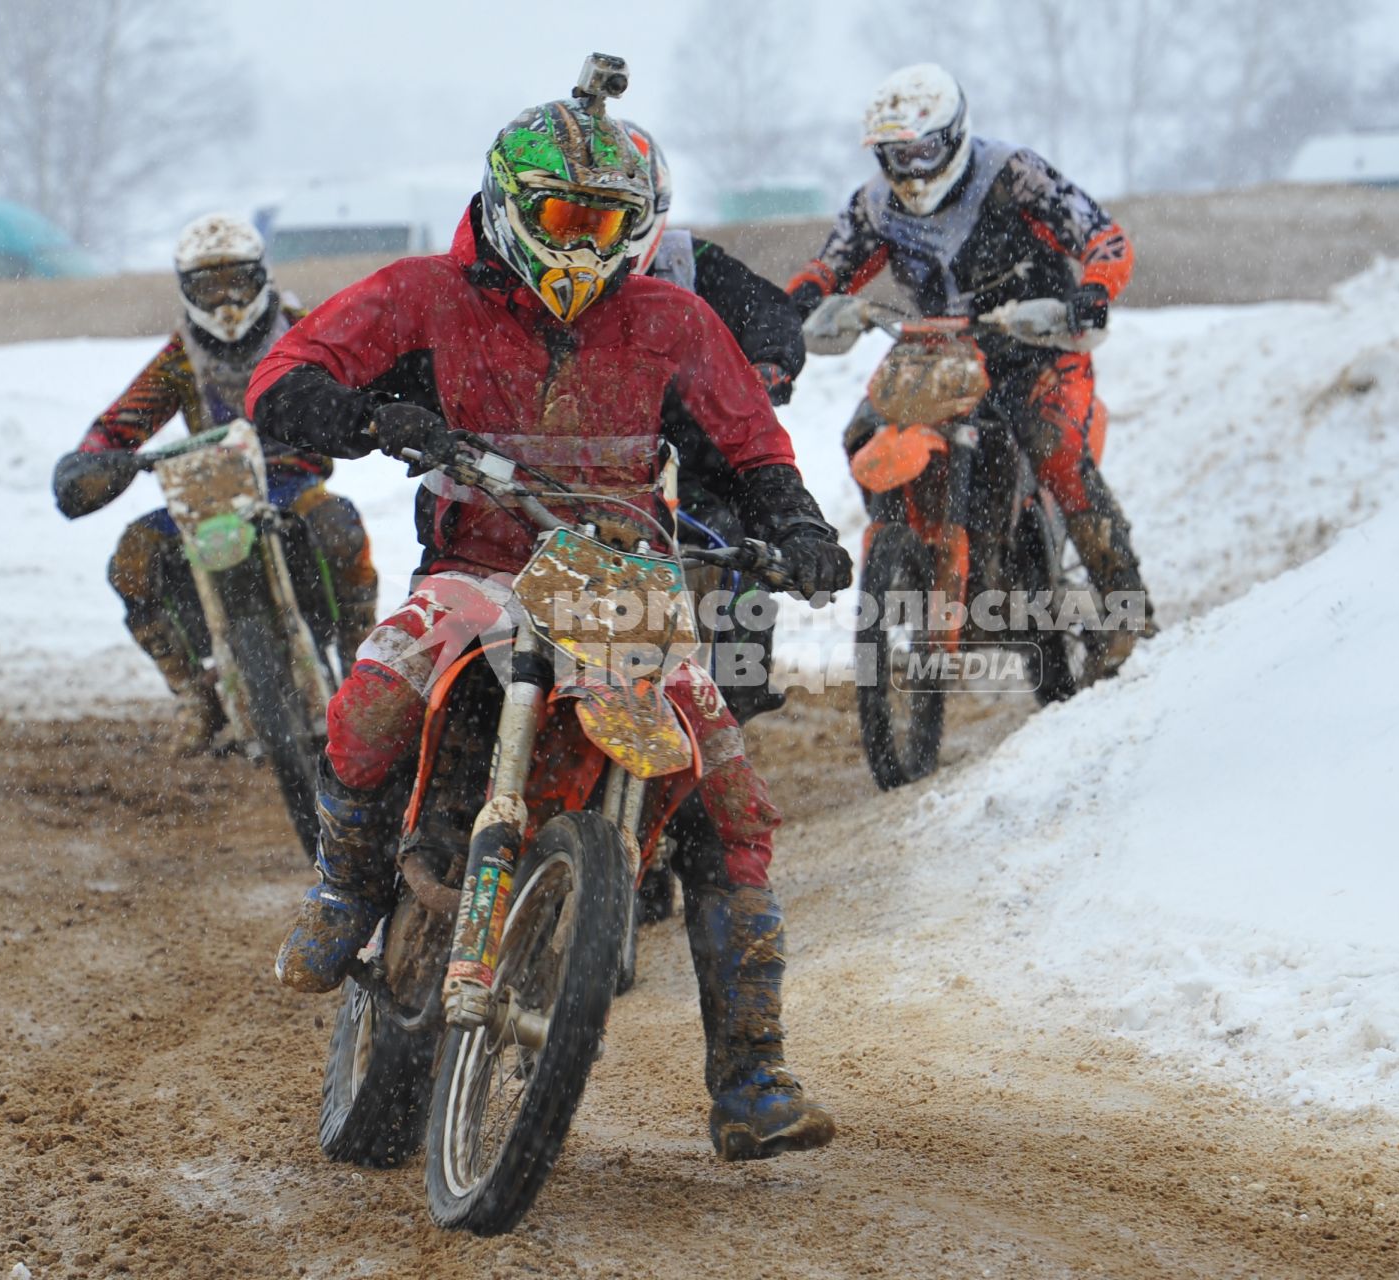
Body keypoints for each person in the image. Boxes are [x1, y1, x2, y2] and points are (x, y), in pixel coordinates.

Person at [247, 82, 850, 1161]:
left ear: (641, 227)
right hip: (479, 568)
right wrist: (363, 415)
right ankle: (343, 884)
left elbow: (754, 448)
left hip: (623, 584)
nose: (587, 243)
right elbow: (283, 380)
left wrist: (797, 529)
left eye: (609, 222)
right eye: (567, 217)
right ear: (512, 205)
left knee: (732, 802)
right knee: (375, 696)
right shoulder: (424, 292)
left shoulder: (673, 318)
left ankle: (751, 1073)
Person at [788, 63, 1154, 678]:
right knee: (863, 428)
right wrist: (797, 303)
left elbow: (1104, 237)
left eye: (923, 150)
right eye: (893, 155)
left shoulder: (1012, 174)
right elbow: (828, 265)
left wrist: (1092, 291)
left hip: (1038, 340)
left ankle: (1127, 610)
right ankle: (916, 546)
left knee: (1054, 444)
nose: (910, 170)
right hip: (941, 348)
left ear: (954, 137)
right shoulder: (876, 204)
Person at [51, 214, 378, 752]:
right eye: (209, 285)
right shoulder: (181, 359)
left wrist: (380, 410)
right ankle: (192, 691)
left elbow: (367, 369)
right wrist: (93, 460)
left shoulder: (305, 329)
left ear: (261, 277)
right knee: (131, 560)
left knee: (341, 527)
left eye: (237, 281)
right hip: (208, 491)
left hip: (292, 482)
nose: (226, 299)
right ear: (187, 290)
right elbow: (119, 424)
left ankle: (361, 667)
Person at [622, 120, 806, 724]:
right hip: (584, 455)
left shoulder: (687, 259)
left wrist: (770, 362)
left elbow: (765, 306)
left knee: (741, 544)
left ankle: (739, 686)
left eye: (621, 209)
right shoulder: (546, 275)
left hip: (693, 455)